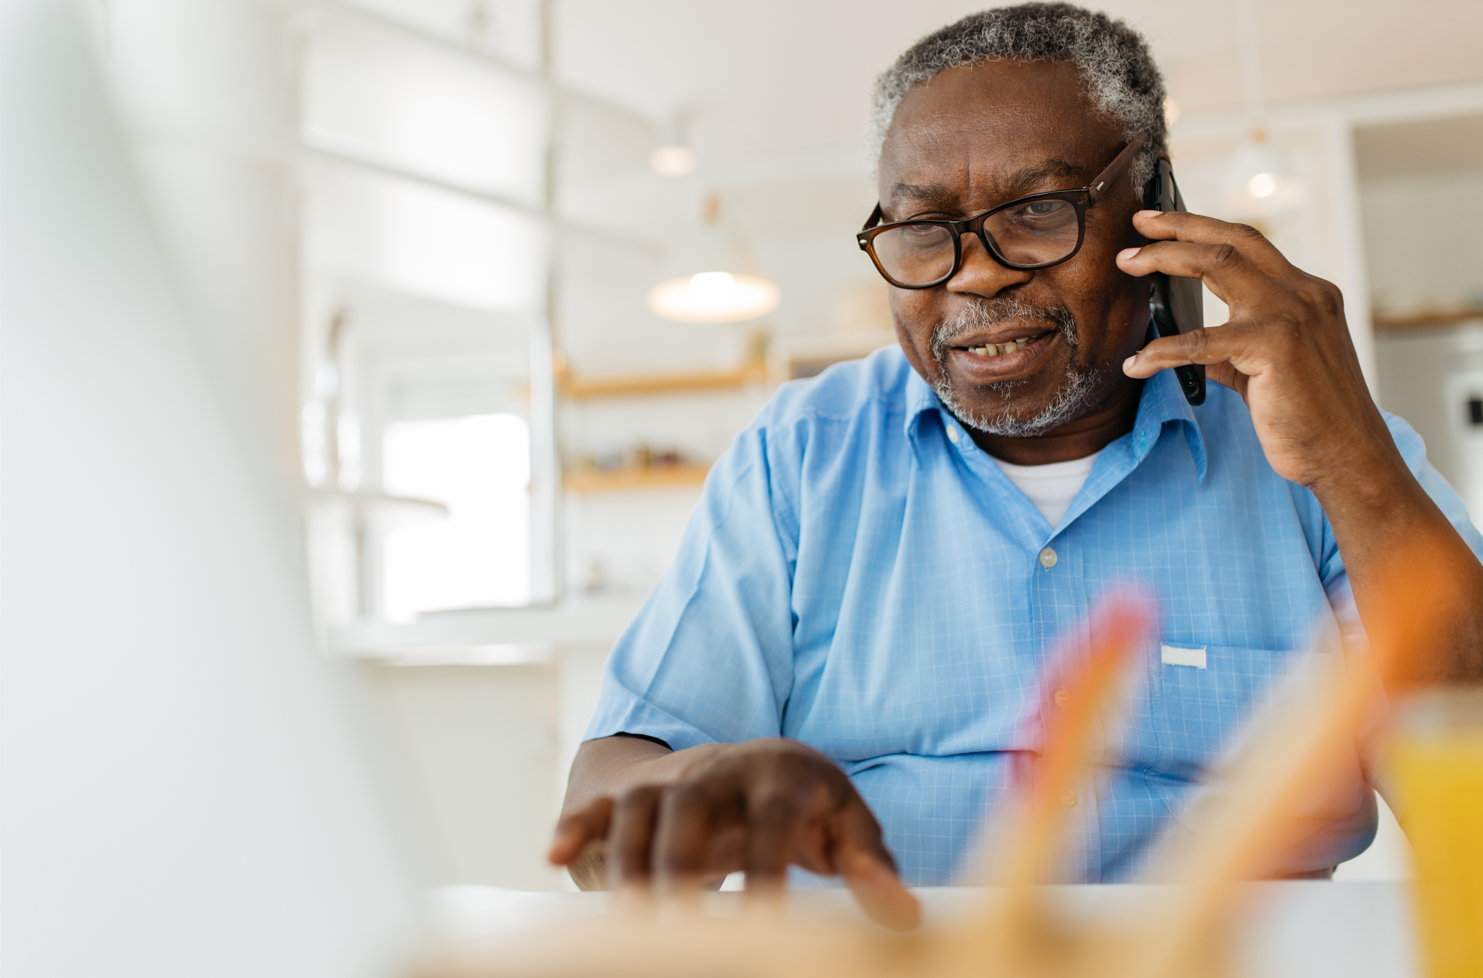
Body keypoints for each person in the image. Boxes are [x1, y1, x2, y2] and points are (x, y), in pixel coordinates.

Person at [546, 3, 1483, 928]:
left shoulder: (1319, 451)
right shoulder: (801, 457)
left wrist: (1353, 458)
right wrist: (699, 790)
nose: (975, 274)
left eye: (1036, 212)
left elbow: (1468, 803)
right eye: (921, 230)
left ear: (1157, 209)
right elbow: (600, 811)